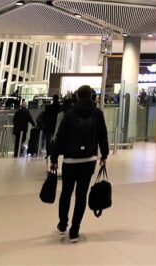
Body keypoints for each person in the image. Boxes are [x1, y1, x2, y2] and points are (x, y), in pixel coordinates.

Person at [49, 85, 108, 242]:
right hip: (89, 160)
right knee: (81, 195)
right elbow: (103, 135)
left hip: (70, 160)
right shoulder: (98, 113)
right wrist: (105, 154)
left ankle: (63, 223)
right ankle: (75, 230)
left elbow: (60, 137)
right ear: (91, 96)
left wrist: (54, 158)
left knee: (66, 193)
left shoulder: (70, 114)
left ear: (77, 97)